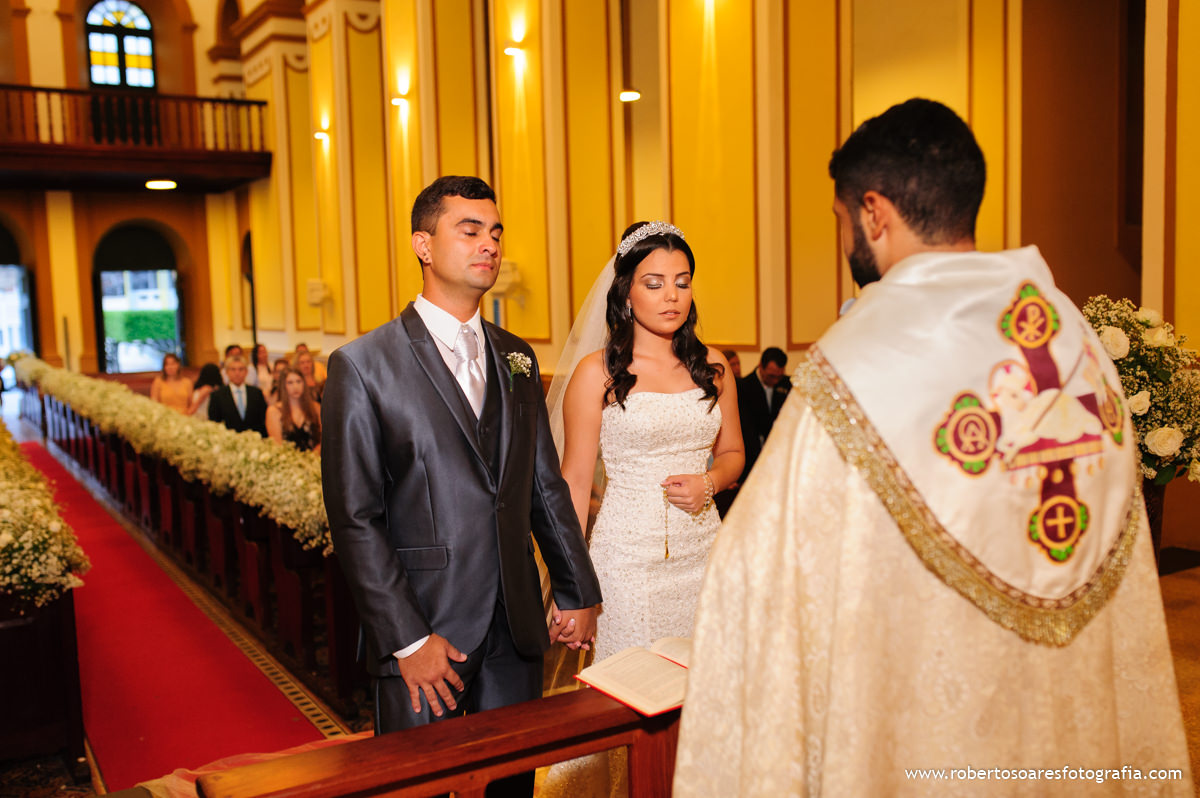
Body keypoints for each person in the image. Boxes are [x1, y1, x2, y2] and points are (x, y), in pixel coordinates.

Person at [673, 98, 1191, 795]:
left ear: (874, 213)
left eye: (841, 219)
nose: (845, 240)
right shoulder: (1069, 334)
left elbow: (757, 576)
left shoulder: (860, 358)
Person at [321, 176, 601, 796]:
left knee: (512, 786)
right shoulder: (364, 365)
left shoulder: (517, 357)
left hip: (515, 627)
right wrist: (407, 639)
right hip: (427, 625)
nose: (489, 245)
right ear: (423, 245)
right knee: (416, 788)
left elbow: (543, 485)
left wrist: (577, 588)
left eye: (495, 232)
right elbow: (355, 518)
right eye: (469, 230)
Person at [539, 222, 743, 797]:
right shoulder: (597, 373)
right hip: (626, 564)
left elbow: (733, 453)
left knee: (708, 693)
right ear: (626, 291)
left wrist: (710, 482)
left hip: (705, 559)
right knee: (628, 702)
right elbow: (574, 483)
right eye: (654, 283)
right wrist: (571, 585)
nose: (671, 295)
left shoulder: (713, 366)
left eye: (682, 281)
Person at [207, 355, 268, 436]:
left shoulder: (256, 393)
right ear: (227, 372)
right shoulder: (217, 395)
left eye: (241, 369)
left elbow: (264, 419)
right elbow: (214, 423)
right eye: (233, 369)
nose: (237, 373)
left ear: (246, 372)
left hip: (255, 438)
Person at [266, 367, 321, 453]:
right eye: (290, 383)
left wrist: (313, 456)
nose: (295, 387)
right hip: (287, 459)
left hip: (315, 458)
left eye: (298, 381)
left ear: (304, 383)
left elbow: (324, 437)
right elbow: (277, 444)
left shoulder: (316, 407)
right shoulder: (274, 411)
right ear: (284, 386)